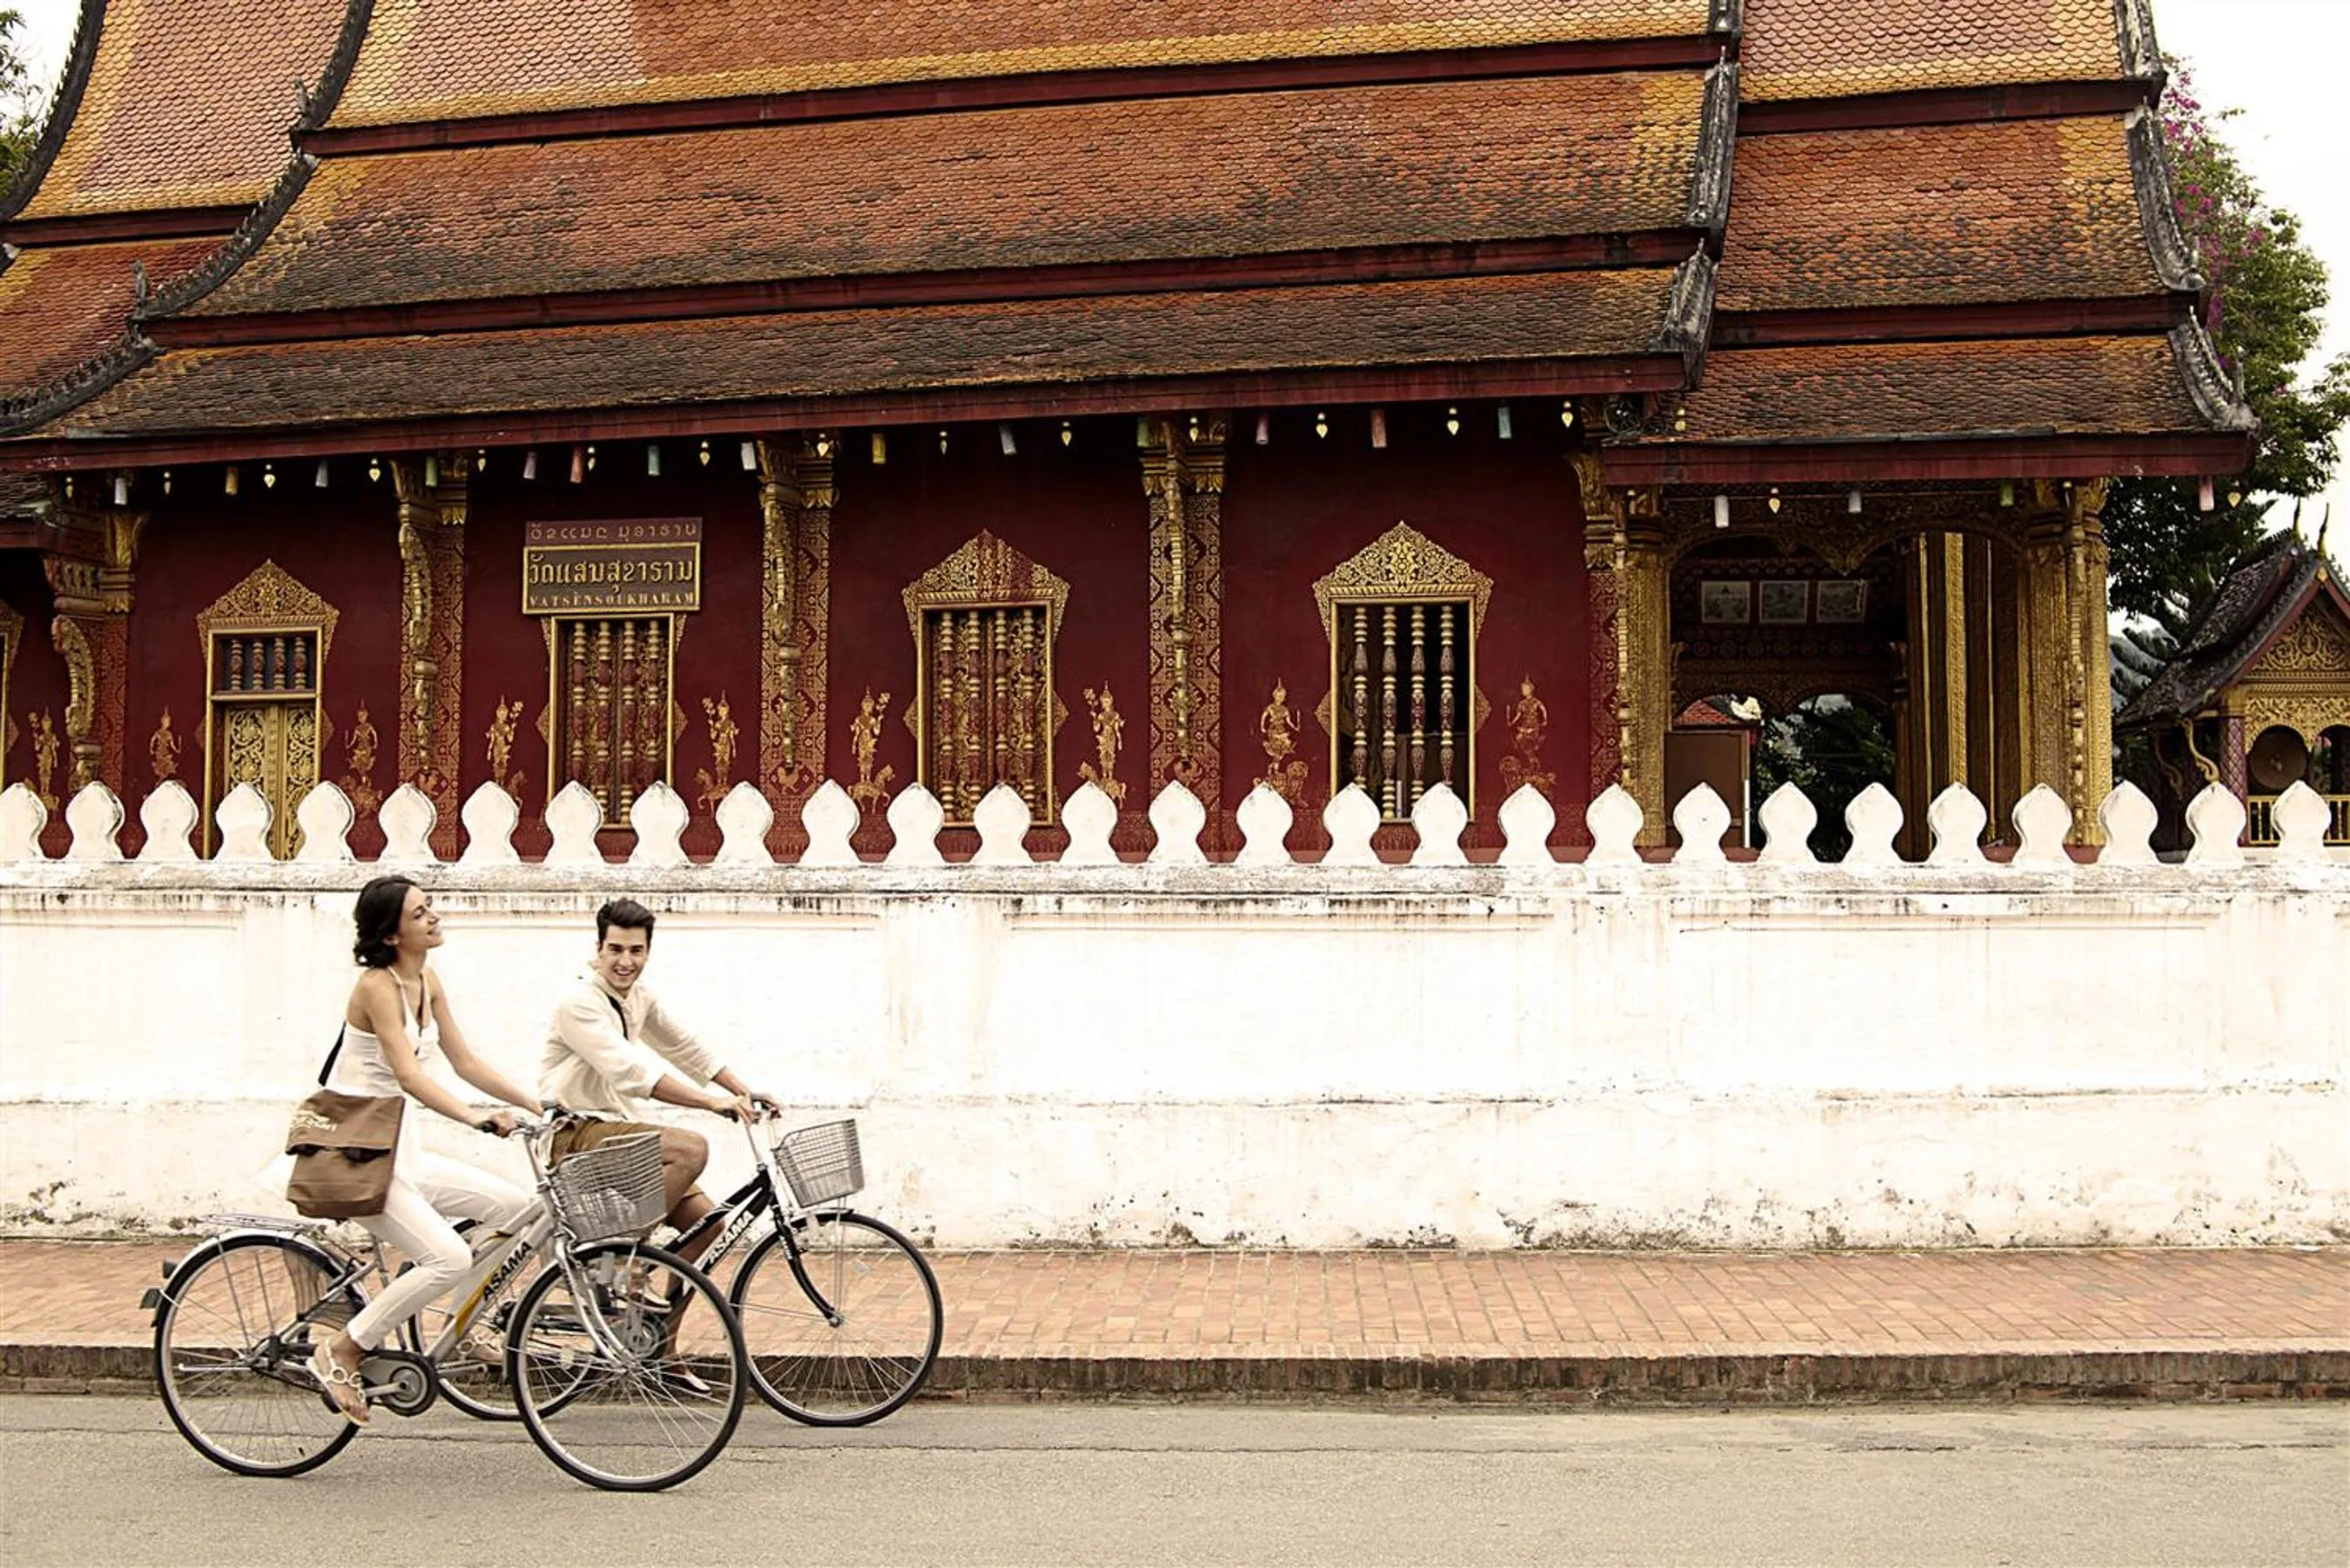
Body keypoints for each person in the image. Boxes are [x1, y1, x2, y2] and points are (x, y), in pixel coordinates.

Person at [307, 876, 541, 1423]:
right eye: (418, 914)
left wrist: (534, 1103)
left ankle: (465, 1321)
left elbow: (465, 1062)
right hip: (359, 1155)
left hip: (401, 1150)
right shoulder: (375, 988)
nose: (433, 918)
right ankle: (343, 1348)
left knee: (513, 1209)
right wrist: (474, 1117)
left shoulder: (427, 980)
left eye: (429, 908)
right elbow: (409, 1076)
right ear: (391, 936)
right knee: (448, 1256)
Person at [539, 898, 773, 1264]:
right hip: (574, 1134)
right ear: (598, 948)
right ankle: (624, 1258)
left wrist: (740, 1091)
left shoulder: (637, 996)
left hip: (614, 1128)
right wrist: (710, 1102)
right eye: (615, 949)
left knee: (707, 1229)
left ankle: (660, 1323)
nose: (625, 962)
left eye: (636, 951)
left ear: (648, 952)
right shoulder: (579, 1003)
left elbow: (682, 1045)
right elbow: (631, 1073)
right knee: (690, 1149)